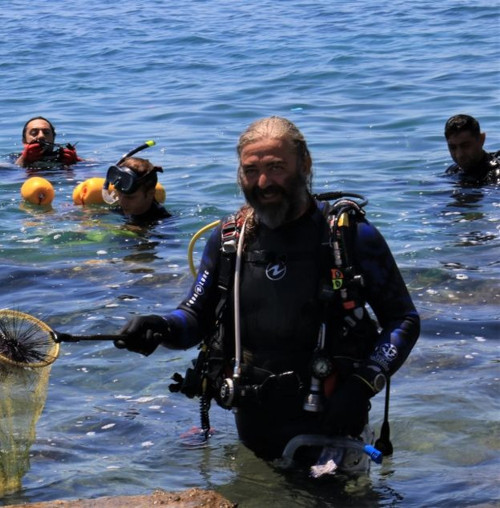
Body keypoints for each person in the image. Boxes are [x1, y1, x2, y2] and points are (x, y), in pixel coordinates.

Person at [114, 116, 420, 460]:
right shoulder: (230, 240)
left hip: (334, 428)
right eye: (250, 170)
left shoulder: (349, 237)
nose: (263, 182)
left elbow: (403, 319)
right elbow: (194, 317)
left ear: (305, 165)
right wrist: (160, 326)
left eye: (276, 167)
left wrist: (363, 384)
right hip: (252, 429)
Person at [105, 156, 171, 224]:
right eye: (119, 193)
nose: (122, 202)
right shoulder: (125, 207)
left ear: (150, 193)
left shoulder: (162, 221)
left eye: (130, 197)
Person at [444, 114, 499, 185]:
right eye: (453, 147)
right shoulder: (453, 171)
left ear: (481, 139)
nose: (459, 155)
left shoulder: (496, 173)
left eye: (465, 146)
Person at [15, 116, 80, 167]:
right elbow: (7, 174)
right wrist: (24, 160)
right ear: (24, 141)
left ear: (53, 138)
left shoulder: (63, 158)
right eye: (34, 132)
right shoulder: (14, 159)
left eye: (46, 132)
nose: (41, 136)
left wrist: (76, 162)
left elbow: (88, 170)